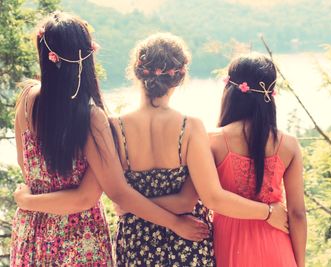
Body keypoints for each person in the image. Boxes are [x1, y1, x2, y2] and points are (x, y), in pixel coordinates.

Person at [14, 33, 289, 266]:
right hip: (188, 242)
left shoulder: (113, 127)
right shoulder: (190, 127)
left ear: (137, 72)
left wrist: (129, 206)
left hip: (135, 241)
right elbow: (187, 201)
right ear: (180, 77)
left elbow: (119, 199)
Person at [11, 13, 210, 266]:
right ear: (88, 54)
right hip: (78, 240)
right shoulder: (91, 117)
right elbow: (95, 196)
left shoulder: (27, 101)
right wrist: (175, 223)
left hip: (32, 231)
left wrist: (28, 201)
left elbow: (23, 163)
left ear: (44, 53)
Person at [210, 53, 307, 267]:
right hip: (277, 247)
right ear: (271, 95)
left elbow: (206, 198)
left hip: (229, 247)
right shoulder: (289, 145)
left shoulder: (213, 141)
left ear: (230, 91)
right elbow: (297, 213)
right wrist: (299, 264)